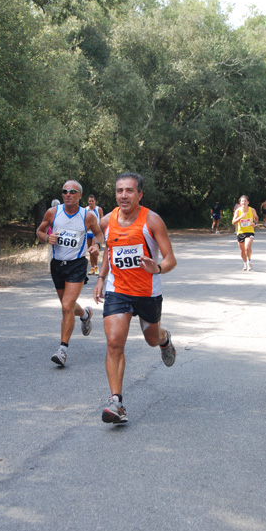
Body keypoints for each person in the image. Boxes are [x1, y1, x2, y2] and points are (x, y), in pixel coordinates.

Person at [93, 172, 177, 425]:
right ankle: (115, 402)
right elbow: (109, 249)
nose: (123, 195)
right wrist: (100, 278)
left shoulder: (151, 220)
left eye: (129, 191)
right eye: (119, 191)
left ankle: (164, 339)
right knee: (114, 342)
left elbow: (171, 259)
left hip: (147, 293)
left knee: (152, 339)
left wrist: (158, 268)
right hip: (117, 290)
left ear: (140, 194)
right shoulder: (107, 221)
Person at [37, 181, 103, 367]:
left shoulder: (87, 216)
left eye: (72, 192)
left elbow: (98, 235)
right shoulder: (53, 212)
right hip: (57, 265)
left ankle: (62, 351)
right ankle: (84, 315)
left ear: (79, 195)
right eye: (65, 191)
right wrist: (46, 238)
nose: (68, 194)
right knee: (69, 306)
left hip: (77, 265)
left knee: (66, 306)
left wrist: (96, 246)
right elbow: (40, 231)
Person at [232, 195, 258, 271]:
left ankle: (249, 261)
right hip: (240, 232)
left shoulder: (252, 210)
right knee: (242, 250)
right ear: (240, 202)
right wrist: (240, 217)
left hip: (250, 231)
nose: (244, 202)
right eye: (242, 201)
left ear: (248, 202)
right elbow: (233, 222)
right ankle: (245, 263)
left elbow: (256, 218)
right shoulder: (238, 211)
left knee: (247, 247)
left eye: (245, 201)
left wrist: (255, 223)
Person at [85, 194, 104, 275]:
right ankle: (92, 267)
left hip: (95, 233)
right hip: (88, 232)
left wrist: (102, 232)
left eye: (92, 201)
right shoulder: (85, 209)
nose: (91, 203)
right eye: (90, 201)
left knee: (94, 250)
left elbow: (102, 220)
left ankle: (96, 267)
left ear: (95, 201)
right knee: (90, 251)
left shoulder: (98, 209)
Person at [47, 199, 60, 271]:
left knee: (50, 253)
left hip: (51, 234)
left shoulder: (49, 212)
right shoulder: (60, 213)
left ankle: (50, 269)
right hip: (56, 234)